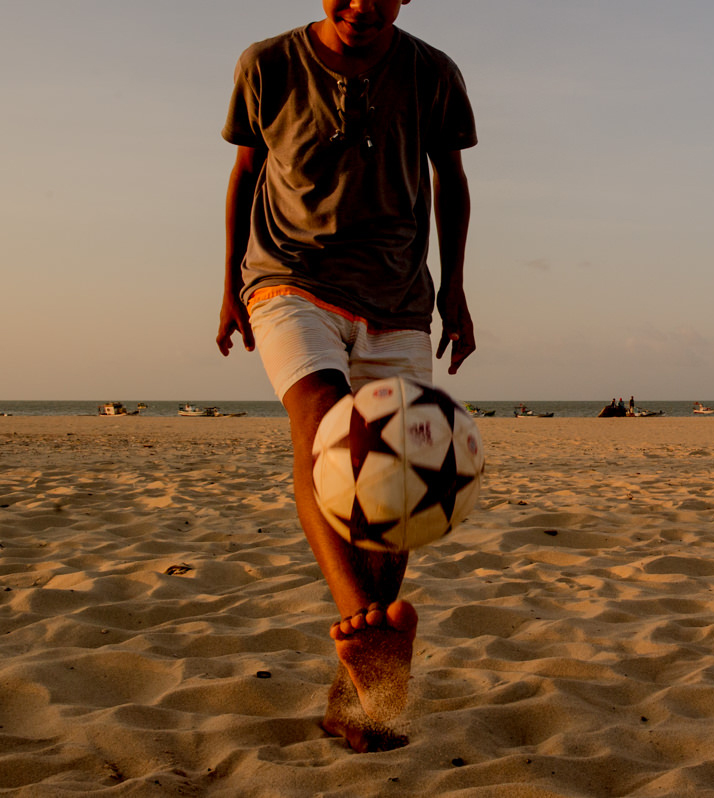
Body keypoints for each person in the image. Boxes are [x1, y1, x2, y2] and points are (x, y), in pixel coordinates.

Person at [215, 0, 477, 752]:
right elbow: (244, 171)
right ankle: (367, 630)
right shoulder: (266, 64)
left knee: (400, 476)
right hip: (287, 278)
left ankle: (357, 691)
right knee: (329, 430)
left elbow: (451, 180)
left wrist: (453, 288)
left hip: (399, 295)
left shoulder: (434, 73)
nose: (361, 2)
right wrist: (230, 284)